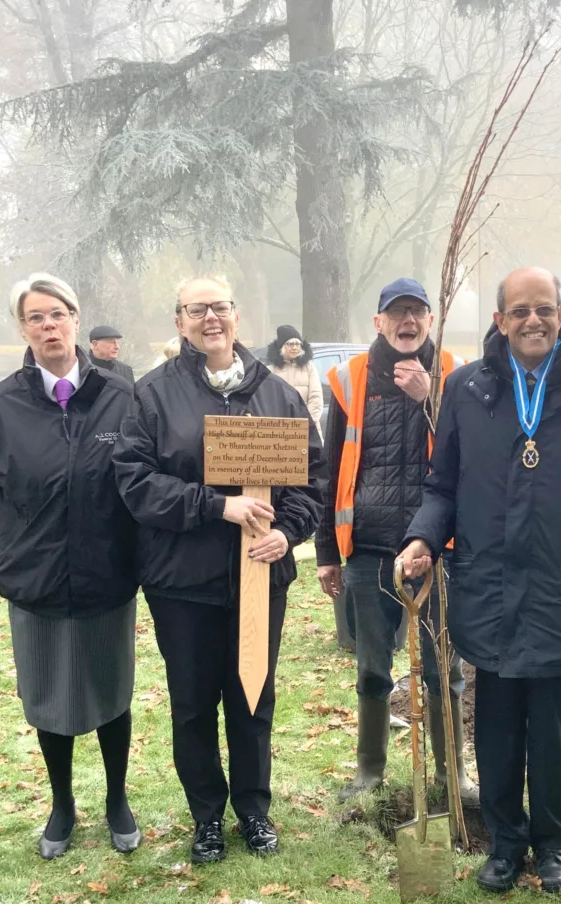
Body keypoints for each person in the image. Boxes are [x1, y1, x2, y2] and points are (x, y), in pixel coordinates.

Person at [397, 267, 561, 894]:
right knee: (499, 725)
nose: (533, 320)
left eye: (545, 309)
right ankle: (506, 842)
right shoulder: (468, 390)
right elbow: (441, 484)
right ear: (500, 321)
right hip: (487, 588)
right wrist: (423, 537)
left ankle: (556, 843)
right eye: (519, 311)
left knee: (553, 728)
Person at [113, 276, 324, 864]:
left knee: (254, 697)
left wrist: (288, 531)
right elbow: (135, 482)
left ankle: (253, 810)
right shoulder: (153, 395)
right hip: (183, 581)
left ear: (237, 316)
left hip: (260, 576)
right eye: (197, 309)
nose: (211, 317)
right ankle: (206, 815)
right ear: (180, 321)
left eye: (221, 307)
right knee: (193, 702)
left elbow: (312, 476)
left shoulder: (276, 394)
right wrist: (217, 505)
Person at [0, 274, 141, 861]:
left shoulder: (121, 397)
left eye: (57, 314)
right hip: (34, 579)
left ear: (77, 320)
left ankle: (116, 799)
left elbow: (146, 475)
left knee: (111, 690)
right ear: (23, 329)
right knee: (48, 695)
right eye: (35, 317)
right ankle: (62, 803)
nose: (49, 326)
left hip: (107, 571)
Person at [315, 277, 477, 805]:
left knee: (443, 668)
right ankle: (370, 771)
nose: (407, 322)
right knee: (371, 666)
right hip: (369, 547)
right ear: (379, 322)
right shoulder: (349, 378)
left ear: (430, 321)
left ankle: (450, 774)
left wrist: (431, 400)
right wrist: (326, 552)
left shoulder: (456, 376)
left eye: (417, 312)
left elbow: (471, 457)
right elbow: (330, 468)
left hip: (438, 547)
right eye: (397, 313)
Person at [266, 325, 323, 435]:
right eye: (290, 344)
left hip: (308, 430)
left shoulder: (309, 367)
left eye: (297, 344)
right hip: (281, 432)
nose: (294, 347)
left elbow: (316, 399)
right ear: (281, 347)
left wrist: (302, 425)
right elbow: (268, 403)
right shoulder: (271, 371)